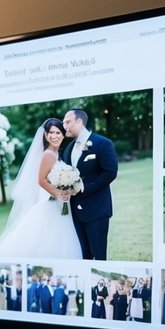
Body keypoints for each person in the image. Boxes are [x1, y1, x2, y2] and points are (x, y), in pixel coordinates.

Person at [0, 118, 82, 260]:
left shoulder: (56, 154)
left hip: (58, 204)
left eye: (58, 132)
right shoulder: (48, 155)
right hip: (49, 204)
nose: (54, 136)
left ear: (63, 135)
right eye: (51, 132)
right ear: (46, 135)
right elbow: (41, 180)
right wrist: (58, 193)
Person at [60, 109, 119, 260]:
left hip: (97, 209)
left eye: (67, 122)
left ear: (79, 122)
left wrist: (85, 188)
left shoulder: (102, 143)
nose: (64, 125)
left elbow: (110, 172)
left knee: (99, 256)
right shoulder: (68, 148)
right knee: (83, 256)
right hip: (75, 212)